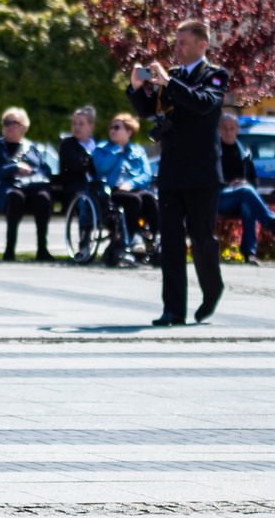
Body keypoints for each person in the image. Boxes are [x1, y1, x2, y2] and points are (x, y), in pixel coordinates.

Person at [128, 18, 229, 324]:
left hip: (201, 174)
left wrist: (170, 83)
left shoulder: (215, 75)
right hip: (172, 170)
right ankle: (173, 310)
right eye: (176, 42)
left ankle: (212, 288)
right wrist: (136, 89)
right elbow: (149, 111)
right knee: (170, 241)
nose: (177, 48)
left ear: (202, 45)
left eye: (183, 42)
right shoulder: (170, 77)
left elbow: (203, 104)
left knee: (201, 239)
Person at [0, 106, 55, 261]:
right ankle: (9, 251)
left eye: (13, 122)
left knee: (43, 197)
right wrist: (13, 167)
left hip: (30, 190)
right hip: (6, 193)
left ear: (23, 127)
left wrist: (31, 173)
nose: (9, 126)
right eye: (6, 123)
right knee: (16, 196)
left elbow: (45, 171)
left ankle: (42, 250)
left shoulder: (32, 149)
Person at [216, 112, 275, 261]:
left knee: (248, 203)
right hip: (219, 198)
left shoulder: (244, 153)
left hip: (241, 197)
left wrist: (243, 184)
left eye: (231, 128)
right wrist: (230, 184)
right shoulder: (214, 151)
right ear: (219, 130)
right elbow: (210, 179)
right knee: (246, 192)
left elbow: (253, 182)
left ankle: (249, 253)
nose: (228, 132)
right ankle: (273, 226)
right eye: (225, 128)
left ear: (237, 130)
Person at [94, 113, 160, 262]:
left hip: (134, 189)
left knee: (148, 197)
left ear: (129, 132)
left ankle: (158, 238)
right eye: (111, 127)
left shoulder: (138, 151)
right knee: (134, 199)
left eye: (117, 127)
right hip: (112, 192)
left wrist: (131, 184)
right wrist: (116, 150)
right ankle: (132, 237)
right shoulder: (102, 149)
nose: (112, 130)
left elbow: (146, 174)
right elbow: (102, 168)